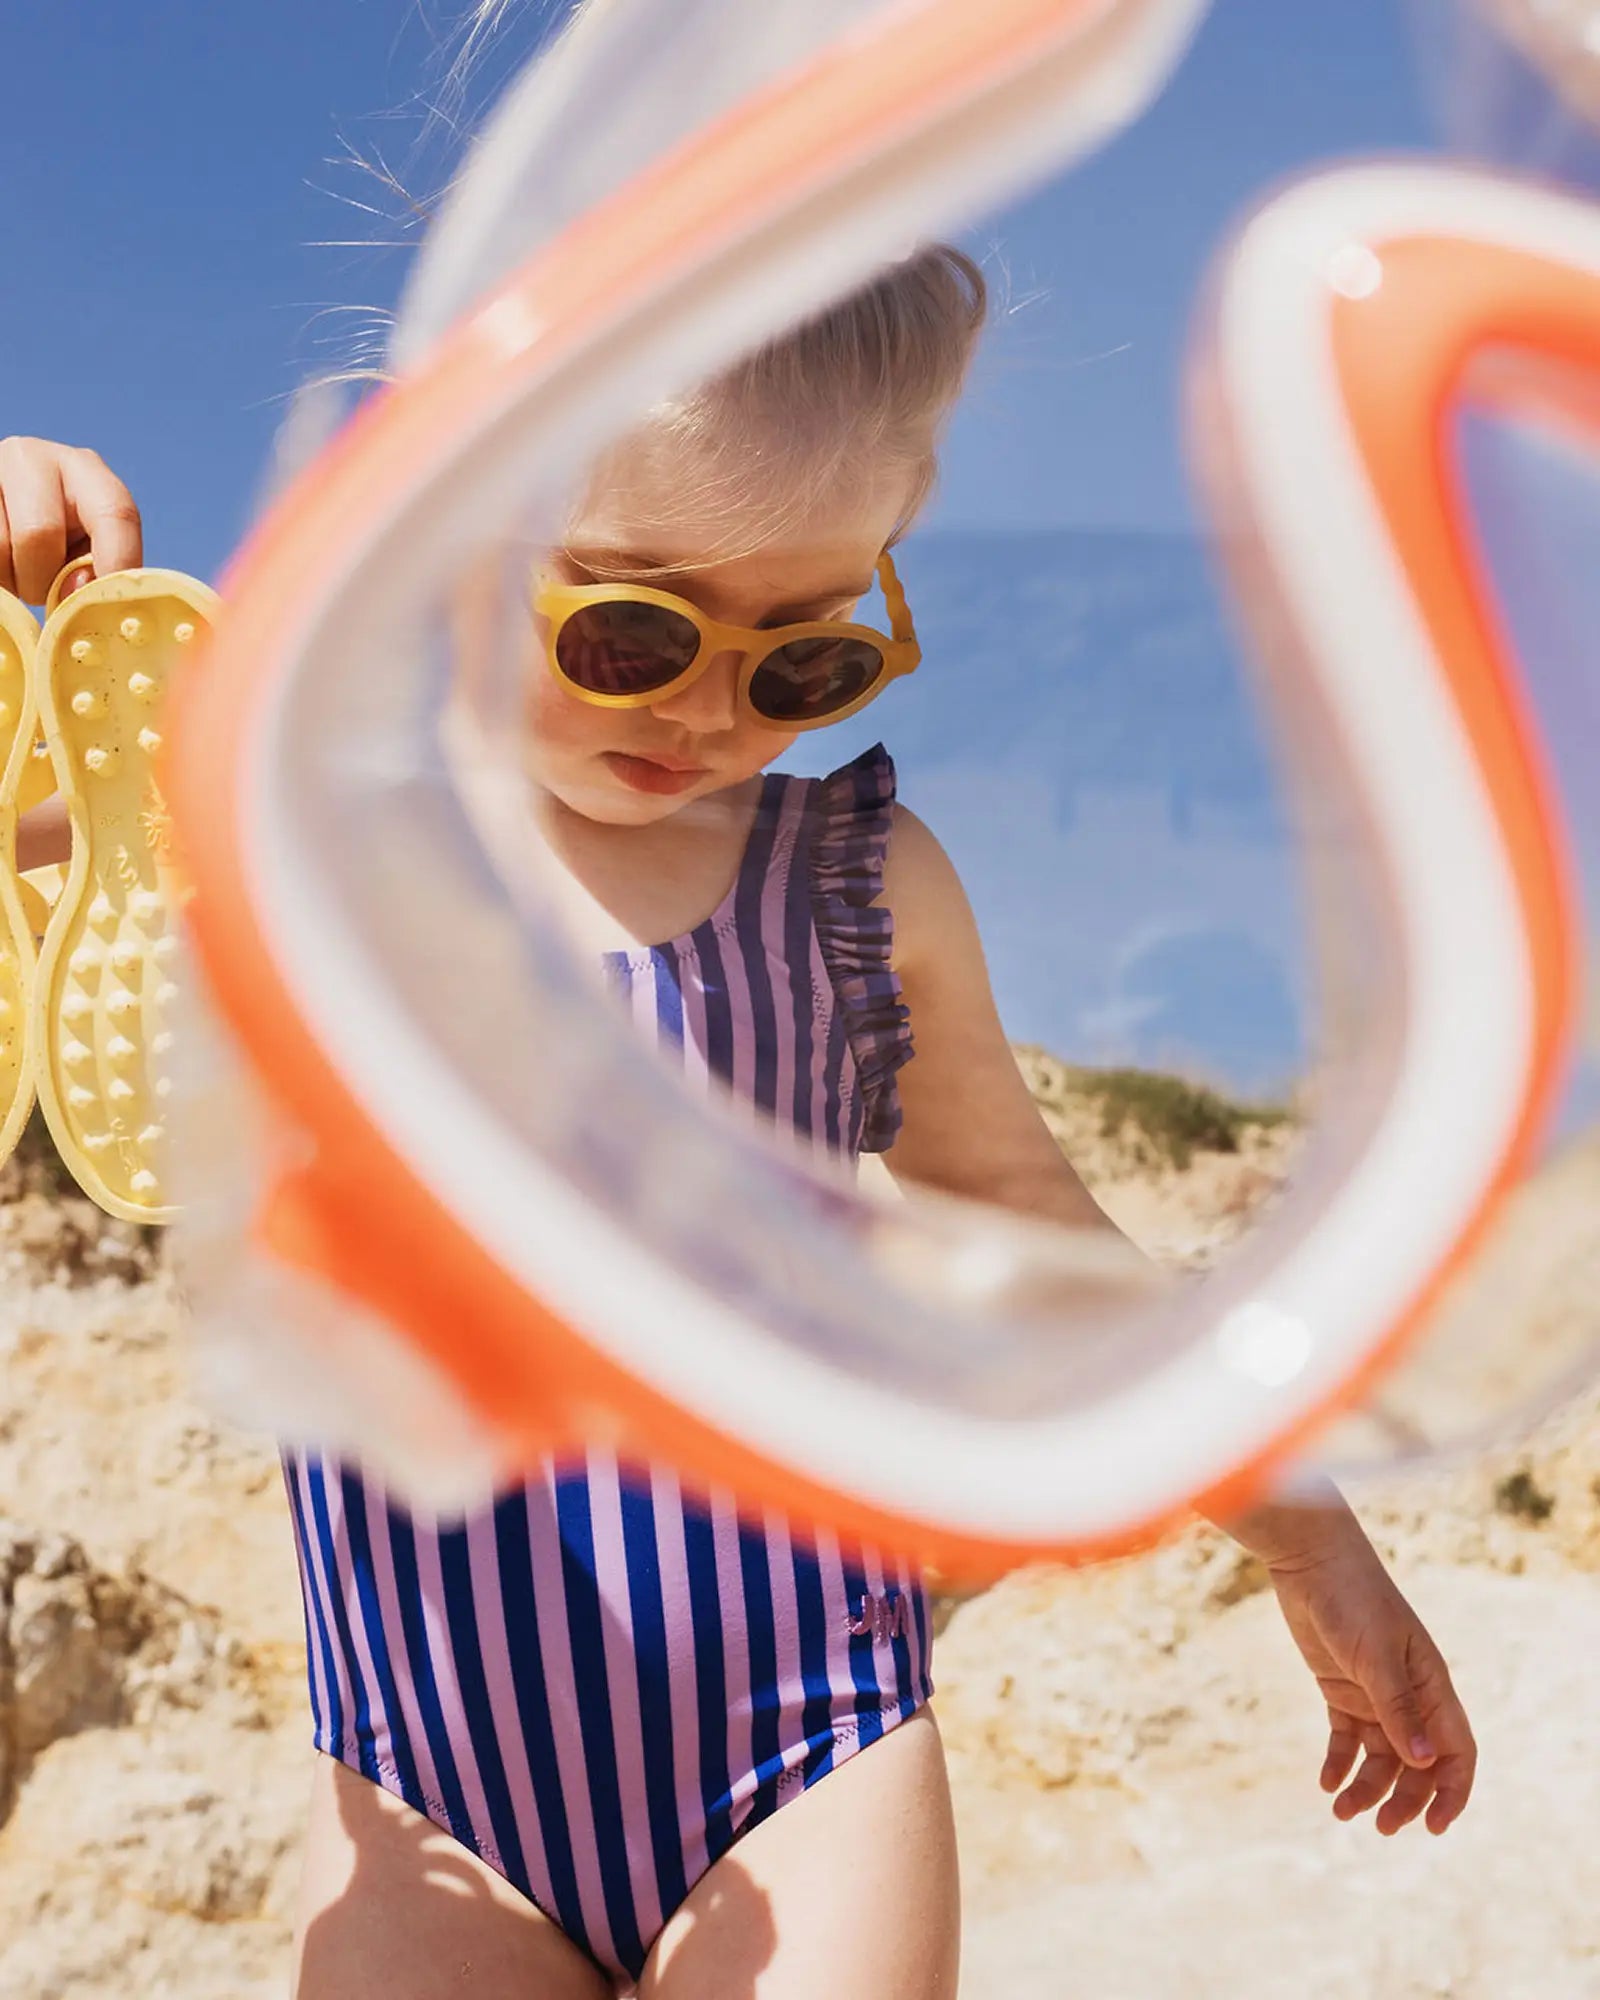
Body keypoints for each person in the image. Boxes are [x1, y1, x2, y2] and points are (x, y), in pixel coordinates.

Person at [0, 238, 1476, 1998]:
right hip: (419, 1792)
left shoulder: (852, 885)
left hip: (803, 1759)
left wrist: (1310, 1535)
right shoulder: (297, 831)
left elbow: (1044, 1254)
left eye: (804, 664)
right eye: (631, 628)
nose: (707, 711)